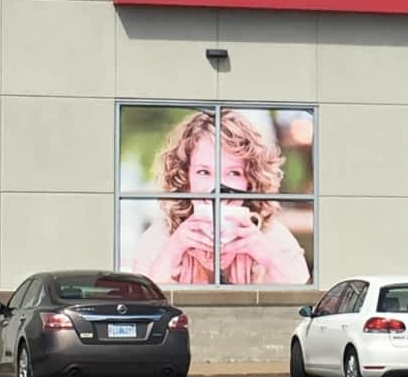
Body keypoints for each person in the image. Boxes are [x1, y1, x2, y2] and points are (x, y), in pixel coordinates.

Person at [129, 110, 310, 285]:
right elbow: (144, 305)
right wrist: (173, 250)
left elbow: (301, 303)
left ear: (250, 180)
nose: (218, 189)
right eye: (203, 172)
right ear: (185, 178)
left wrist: (268, 257)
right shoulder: (160, 237)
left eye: (233, 173)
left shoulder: (272, 235)